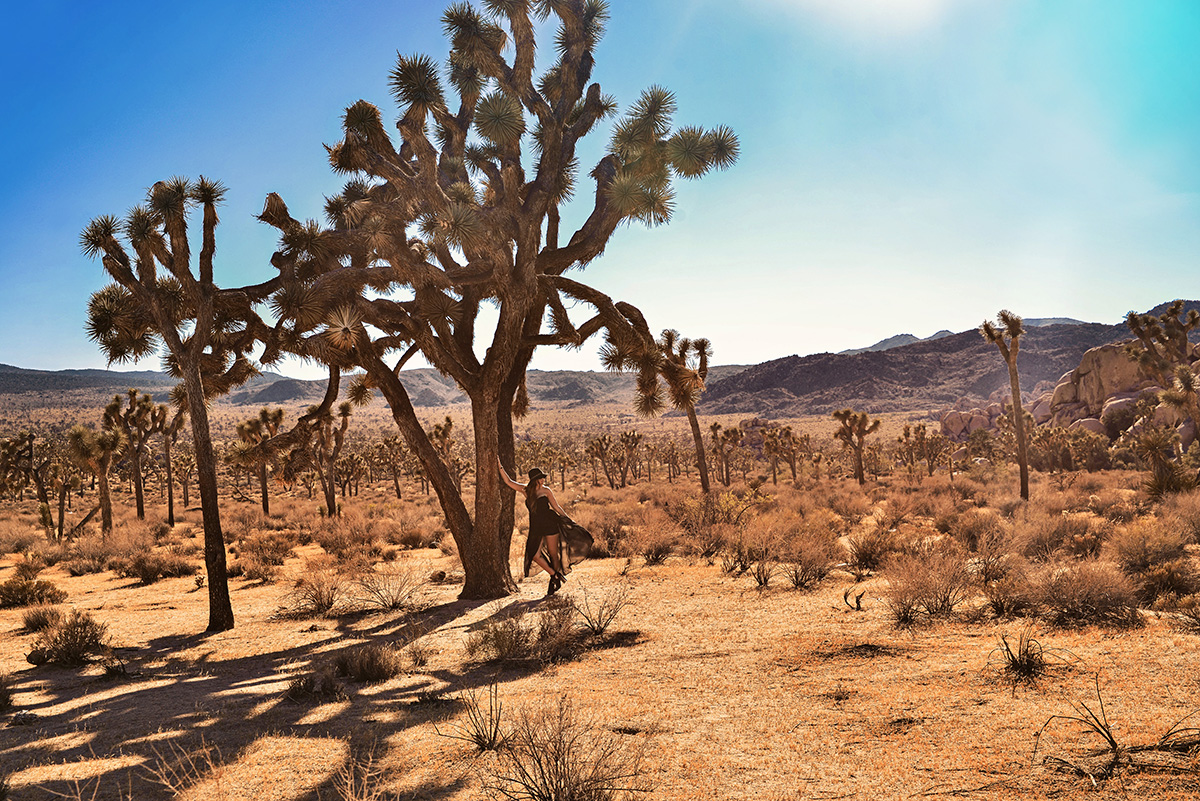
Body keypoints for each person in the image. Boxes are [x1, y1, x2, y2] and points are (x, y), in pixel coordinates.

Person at [498, 458, 569, 595]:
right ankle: (555, 574)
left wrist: (567, 519)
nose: (543, 480)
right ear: (534, 480)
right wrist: (499, 465)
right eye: (540, 479)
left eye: (543, 478)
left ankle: (553, 582)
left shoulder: (546, 490)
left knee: (553, 554)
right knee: (534, 555)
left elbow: (556, 507)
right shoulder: (526, 490)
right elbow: (508, 482)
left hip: (550, 523)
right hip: (536, 526)